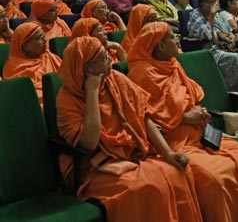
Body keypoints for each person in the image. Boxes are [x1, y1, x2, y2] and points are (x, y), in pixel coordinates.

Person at [127, 23, 238, 221]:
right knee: (215, 179)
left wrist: (198, 111)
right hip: (174, 140)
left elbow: (191, 94)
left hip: (198, 131)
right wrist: (184, 117)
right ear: (160, 46)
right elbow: (144, 118)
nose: (177, 39)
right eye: (172, 37)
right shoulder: (140, 74)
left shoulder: (173, 64)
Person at [56, 36, 204, 221]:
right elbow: (89, 143)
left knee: (178, 174)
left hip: (130, 154)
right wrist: (92, 92)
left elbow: (144, 116)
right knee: (147, 187)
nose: (110, 58)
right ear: (89, 69)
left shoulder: (115, 78)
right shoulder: (67, 98)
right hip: (93, 166)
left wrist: (168, 153)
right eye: (103, 57)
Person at [187, 0, 238, 92]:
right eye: (213, 1)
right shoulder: (195, 15)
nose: (217, 3)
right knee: (234, 57)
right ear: (205, 5)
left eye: (217, 0)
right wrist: (211, 16)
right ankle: (229, 92)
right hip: (207, 48)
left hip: (223, 45)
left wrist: (230, 38)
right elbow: (207, 36)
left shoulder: (217, 14)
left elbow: (227, 32)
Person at [3, 22, 60, 107]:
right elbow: (27, 97)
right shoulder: (15, 68)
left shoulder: (51, 57)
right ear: (26, 46)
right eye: (40, 38)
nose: (45, 39)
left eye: (44, 35)